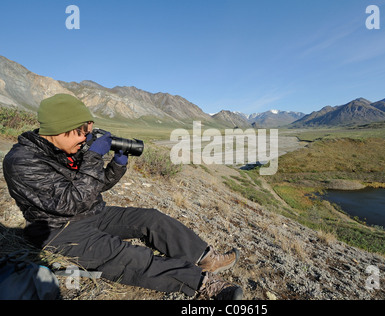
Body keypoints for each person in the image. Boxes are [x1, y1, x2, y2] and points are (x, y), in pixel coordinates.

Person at [2, 93, 243, 300]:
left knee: (151, 219)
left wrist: (116, 166)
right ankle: (202, 284)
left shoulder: (65, 147)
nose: (85, 138)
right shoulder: (22, 162)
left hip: (92, 213)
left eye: (88, 131)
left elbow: (93, 189)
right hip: (59, 230)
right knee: (127, 255)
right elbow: (72, 201)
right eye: (81, 132)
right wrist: (93, 158)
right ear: (58, 129)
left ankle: (204, 257)